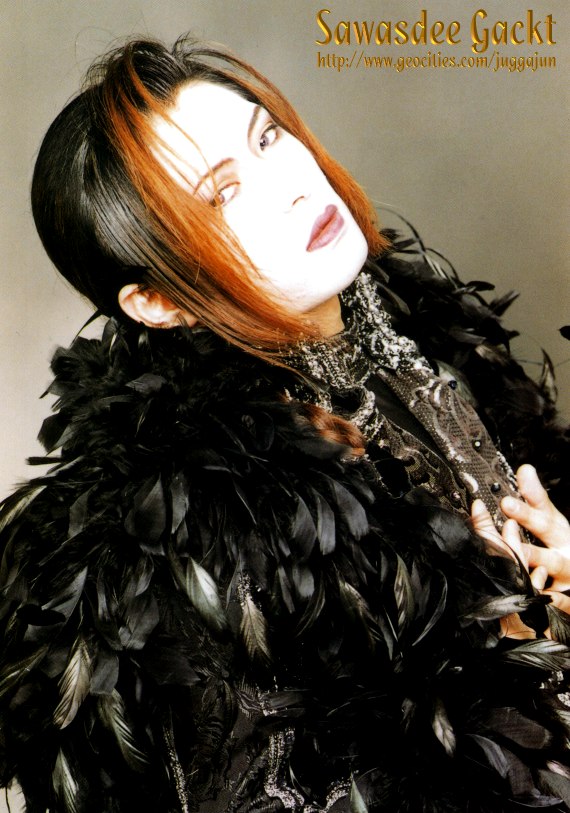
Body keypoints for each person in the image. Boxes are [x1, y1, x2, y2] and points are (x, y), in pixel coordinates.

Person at [1, 35, 569, 813]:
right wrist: (494, 666)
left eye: (267, 138)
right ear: (157, 301)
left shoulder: (416, 334)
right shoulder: (199, 531)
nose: (290, 187)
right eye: (223, 195)